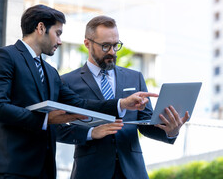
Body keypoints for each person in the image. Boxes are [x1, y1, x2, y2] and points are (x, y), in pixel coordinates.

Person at [0, 5, 156, 179]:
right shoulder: (4, 57)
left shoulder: (51, 72)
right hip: (12, 168)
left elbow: (80, 104)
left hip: (45, 169)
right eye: (58, 33)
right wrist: (45, 119)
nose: (59, 41)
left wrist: (122, 104)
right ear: (41, 28)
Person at [56, 15, 189, 179]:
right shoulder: (67, 82)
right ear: (87, 44)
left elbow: (145, 122)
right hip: (90, 171)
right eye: (105, 46)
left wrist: (170, 131)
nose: (112, 52)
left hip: (132, 171)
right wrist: (90, 132)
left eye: (115, 45)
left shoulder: (135, 77)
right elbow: (56, 128)